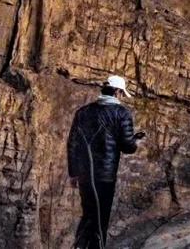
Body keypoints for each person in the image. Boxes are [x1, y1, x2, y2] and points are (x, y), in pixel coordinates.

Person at [67, 74, 143, 249]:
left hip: (85, 175)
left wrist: (73, 173)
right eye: (122, 93)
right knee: (100, 220)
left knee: (88, 215)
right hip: (105, 177)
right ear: (117, 92)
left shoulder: (83, 112)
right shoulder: (122, 113)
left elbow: (72, 144)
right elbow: (128, 147)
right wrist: (136, 141)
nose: (122, 97)